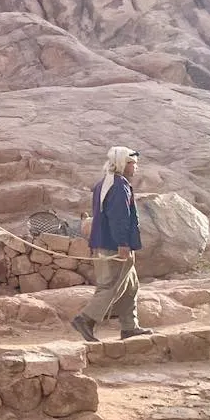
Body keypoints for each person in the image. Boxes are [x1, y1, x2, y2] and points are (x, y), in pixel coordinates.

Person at [71, 146, 153, 342]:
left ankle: (129, 327)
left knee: (130, 285)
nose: (135, 168)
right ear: (123, 164)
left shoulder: (106, 183)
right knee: (112, 285)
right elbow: (119, 218)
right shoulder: (117, 186)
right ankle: (85, 319)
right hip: (115, 246)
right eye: (133, 164)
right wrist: (123, 243)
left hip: (106, 243)